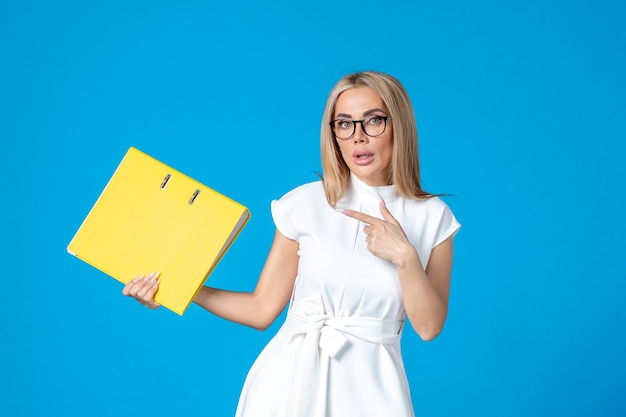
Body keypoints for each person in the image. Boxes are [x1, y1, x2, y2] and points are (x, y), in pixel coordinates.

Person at [123, 70, 461, 417]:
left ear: (398, 126)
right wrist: (177, 287)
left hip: (372, 393)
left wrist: (404, 256)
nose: (358, 137)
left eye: (373, 121)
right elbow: (261, 310)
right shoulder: (304, 203)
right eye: (344, 124)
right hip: (284, 386)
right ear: (333, 135)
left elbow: (429, 327)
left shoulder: (433, 218)